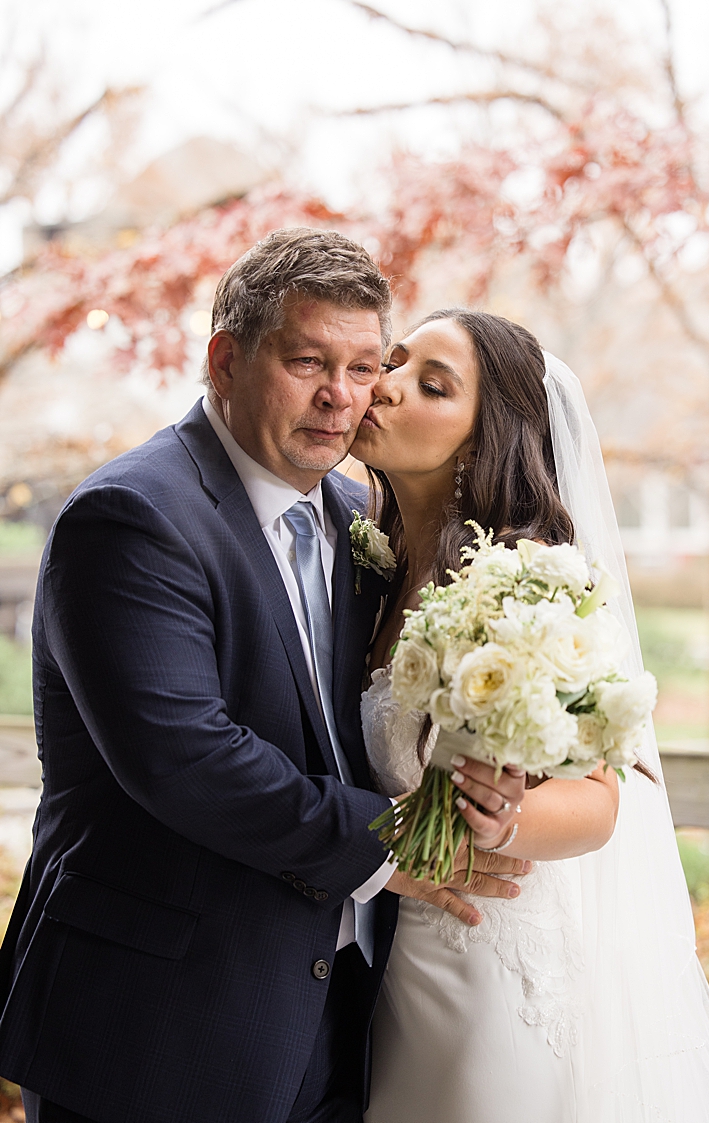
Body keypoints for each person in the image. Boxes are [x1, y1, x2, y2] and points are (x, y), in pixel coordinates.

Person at [0, 229, 530, 1123]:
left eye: (365, 367)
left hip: (341, 1016)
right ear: (225, 359)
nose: (340, 396)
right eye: (307, 360)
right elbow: (185, 757)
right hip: (156, 1024)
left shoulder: (364, 515)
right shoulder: (131, 518)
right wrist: (397, 839)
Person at [350, 309, 709, 1122]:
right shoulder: (368, 567)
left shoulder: (533, 584)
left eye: (432, 385)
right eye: (394, 362)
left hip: (487, 952)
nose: (384, 388)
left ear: (482, 440)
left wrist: (506, 819)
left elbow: (602, 801)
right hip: (387, 943)